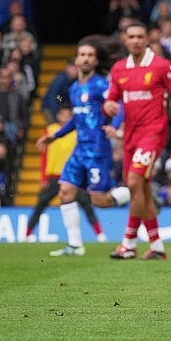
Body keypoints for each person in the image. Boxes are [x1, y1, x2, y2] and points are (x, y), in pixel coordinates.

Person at [104, 21, 171, 261]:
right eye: (131, 36)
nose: (135, 40)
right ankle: (156, 245)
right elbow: (112, 98)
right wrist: (109, 105)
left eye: (140, 36)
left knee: (134, 182)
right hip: (130, 136)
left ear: (147, 40)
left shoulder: (162, 66)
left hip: (153, 133)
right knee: (140, 188)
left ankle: (128, 243)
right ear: (125, 39)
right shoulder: (118, 69)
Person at [35, 37, 130, 256]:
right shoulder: (74, 88)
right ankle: (75, 245)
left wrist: (114, 126)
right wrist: (55, 136)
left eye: (90, 55)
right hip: (79, 149)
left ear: (96, 61)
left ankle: (135, 192)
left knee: (100, 201)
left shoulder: (101, 85)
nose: (85, 58)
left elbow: (120, 105)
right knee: (65, 191)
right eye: (82, 55)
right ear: (76, 60)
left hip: (97, 150)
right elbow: (76, 119)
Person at [25, 105, 107, 244]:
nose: (66, 116)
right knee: (40, 205)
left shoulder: (77, 131)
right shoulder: (50, 130)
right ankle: (27, 234)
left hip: (73, 176)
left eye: (69, 114)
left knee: (87, 205)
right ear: (58, 116)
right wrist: (43, 177)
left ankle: (100, 234)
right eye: (63, 114)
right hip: (54, 175)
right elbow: (44, 154)